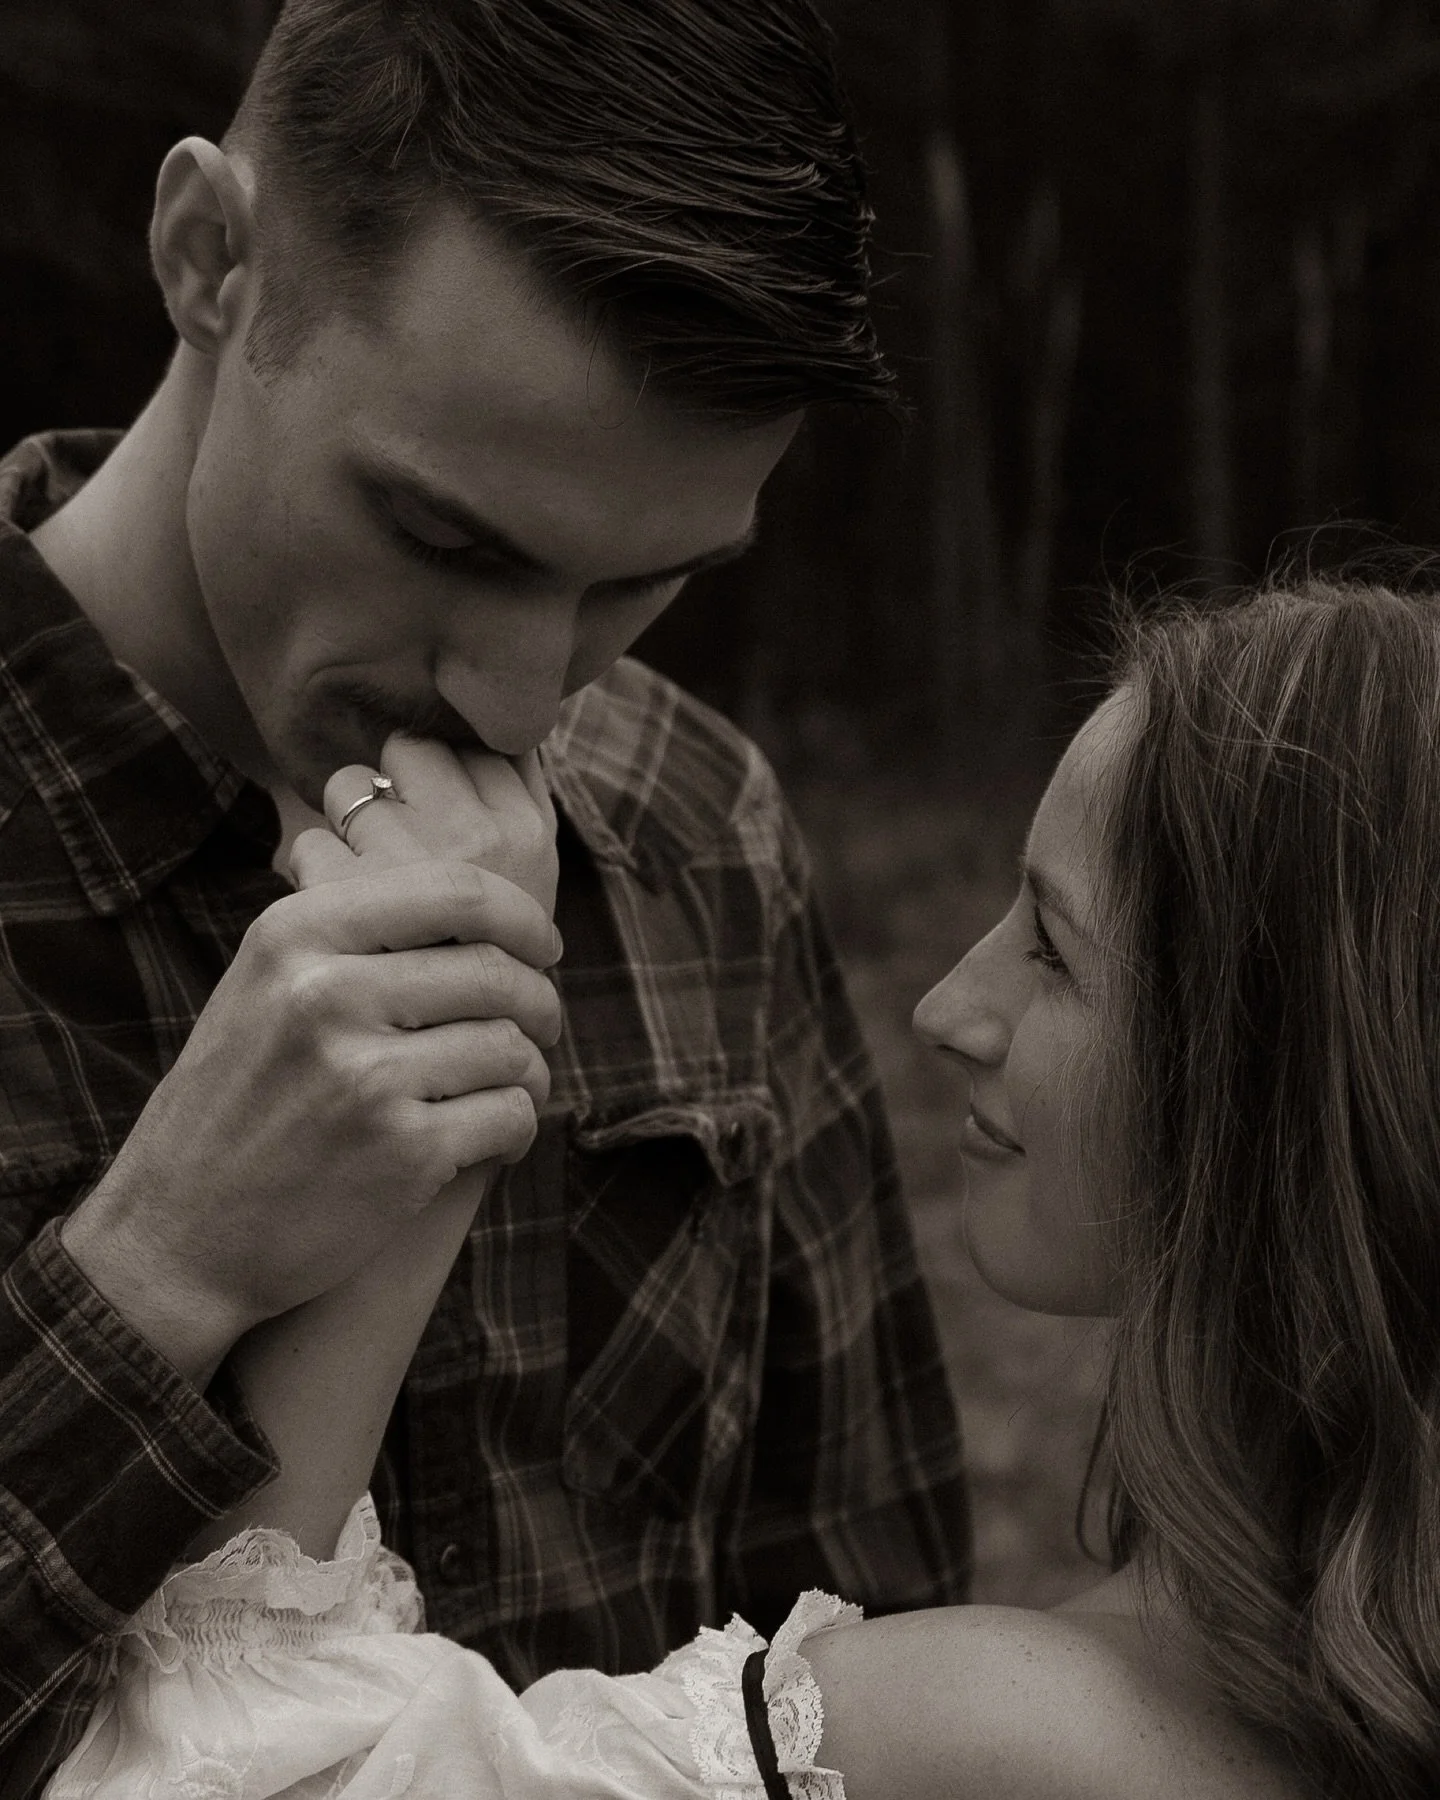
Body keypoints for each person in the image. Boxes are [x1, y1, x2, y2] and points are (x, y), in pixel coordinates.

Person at [0, 1, 971, 1789]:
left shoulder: (697, 827)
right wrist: (151, 1273)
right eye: (450, 541)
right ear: (208, 257)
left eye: (645, 584)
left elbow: (856, 1624)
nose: (533, 705)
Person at [47, 575, 1440, 1799]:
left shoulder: (987, 1737)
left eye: (1057, 952)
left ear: (1272, 1089)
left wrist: (432, 1074)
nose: (950, 1005)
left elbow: (225, 1780)